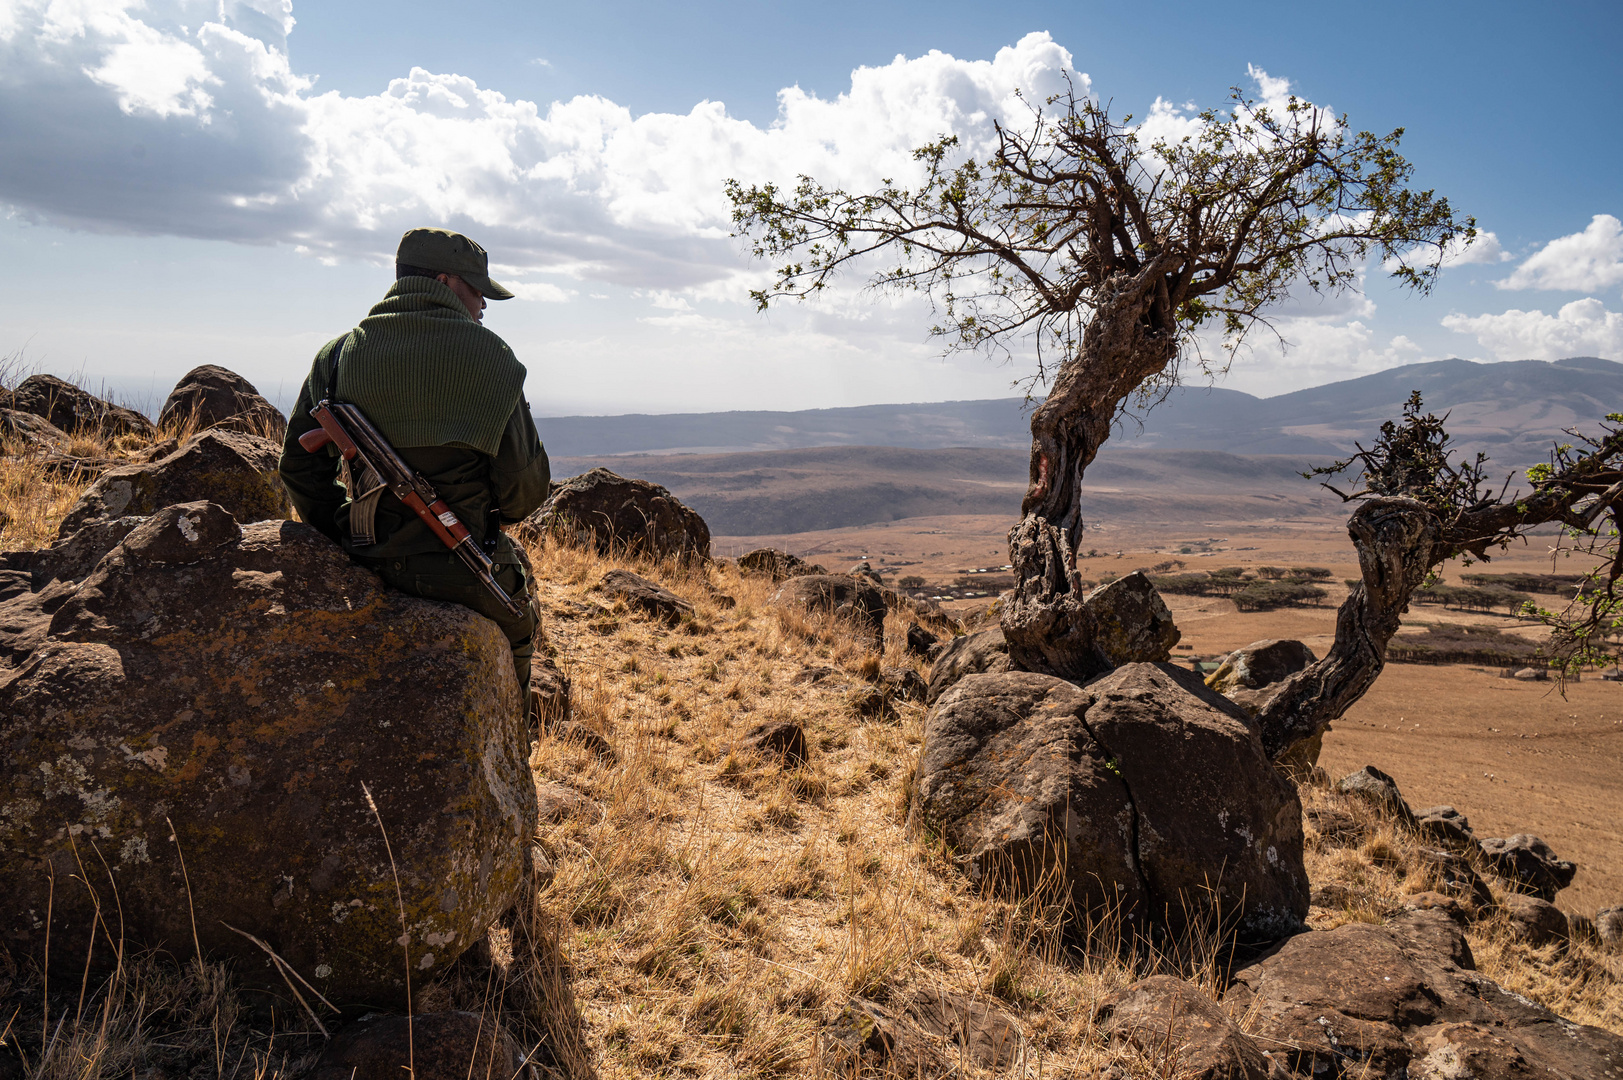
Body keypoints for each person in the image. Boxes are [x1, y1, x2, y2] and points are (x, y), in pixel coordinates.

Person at [280, 227, 550, 695]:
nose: (483, 304)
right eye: (478, 290)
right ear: (445, 282)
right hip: (461, 568)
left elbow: (299, 468)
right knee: (519, 627)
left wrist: (343, 532)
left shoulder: (339, 355)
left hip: (362, 554)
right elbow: (523, 495)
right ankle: (513, 749)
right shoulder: (493, 357)